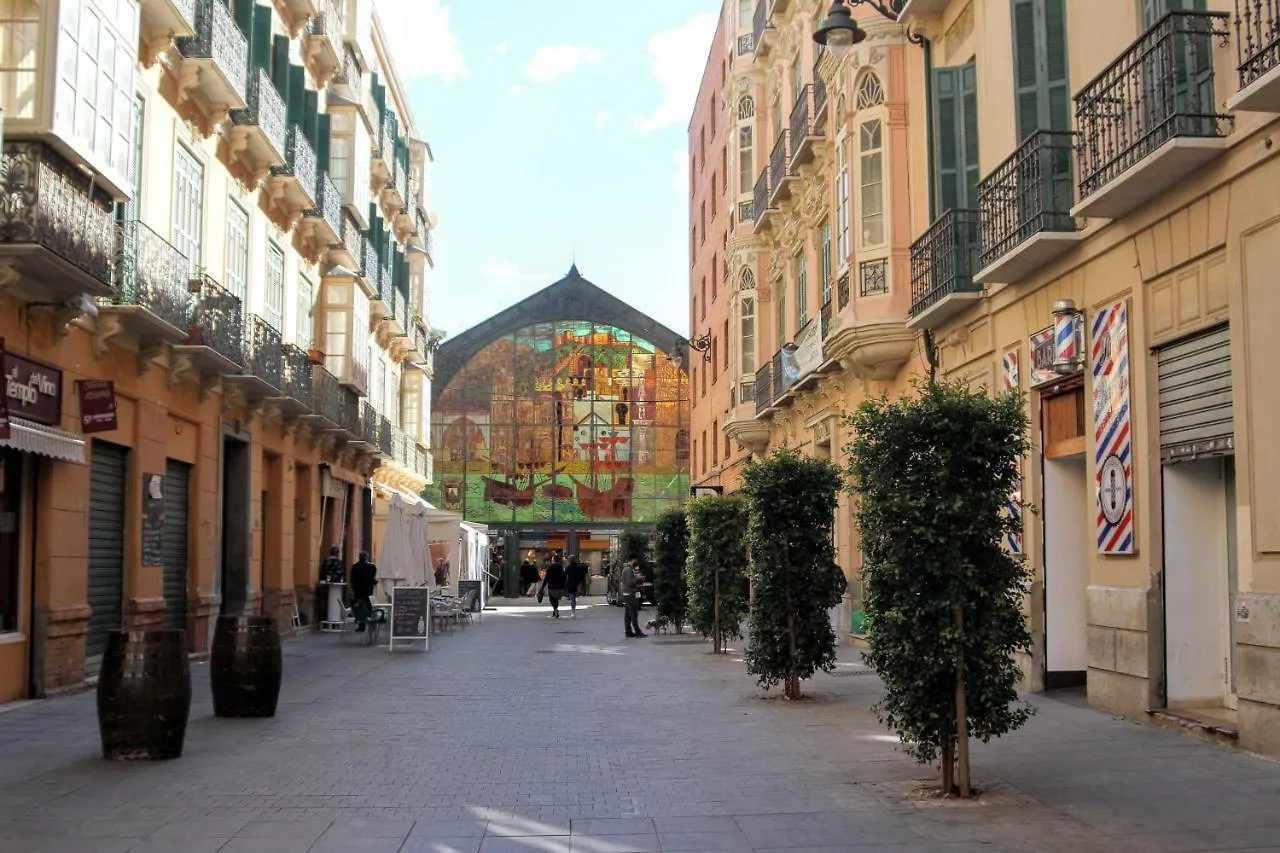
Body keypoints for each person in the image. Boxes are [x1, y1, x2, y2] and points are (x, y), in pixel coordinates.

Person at [349, 551, 377, 632]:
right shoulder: (372, 567)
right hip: (368, 591)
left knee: (360, 608)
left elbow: (352, 579)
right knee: (369, 608)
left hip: (358, 592)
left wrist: (353, 589)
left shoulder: (354, 567)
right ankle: (372, 624)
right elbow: (374, 579)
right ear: (366, 557)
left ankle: (361, 625)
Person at [621, 557, 646, 638]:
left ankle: (628, 631)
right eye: (636, 560)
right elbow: (630, 582)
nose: (636, 562)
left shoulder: (627, 569)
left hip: (627, 593)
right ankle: (637, 631)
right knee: (633, 613)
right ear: (632, 560)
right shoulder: (628, 570)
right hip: (630, 594)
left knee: (628, 614)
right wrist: (637, 578)